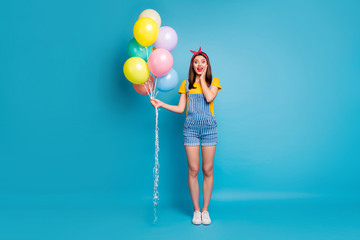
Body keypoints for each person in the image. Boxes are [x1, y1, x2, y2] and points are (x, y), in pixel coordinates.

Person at [150, 47, 222, 225]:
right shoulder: (185, 84)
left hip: (209, 129)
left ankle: (205, 210)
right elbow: (181, 109)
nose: (199, 64)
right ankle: (196, 210)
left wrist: (201, 80)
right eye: (196, 62)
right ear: (192, 65)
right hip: (190, 129)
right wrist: (162, 104)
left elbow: (209, 98)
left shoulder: (214, 82)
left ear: (207, 65)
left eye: (202, 62)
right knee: (193, 170)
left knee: (207, 170)